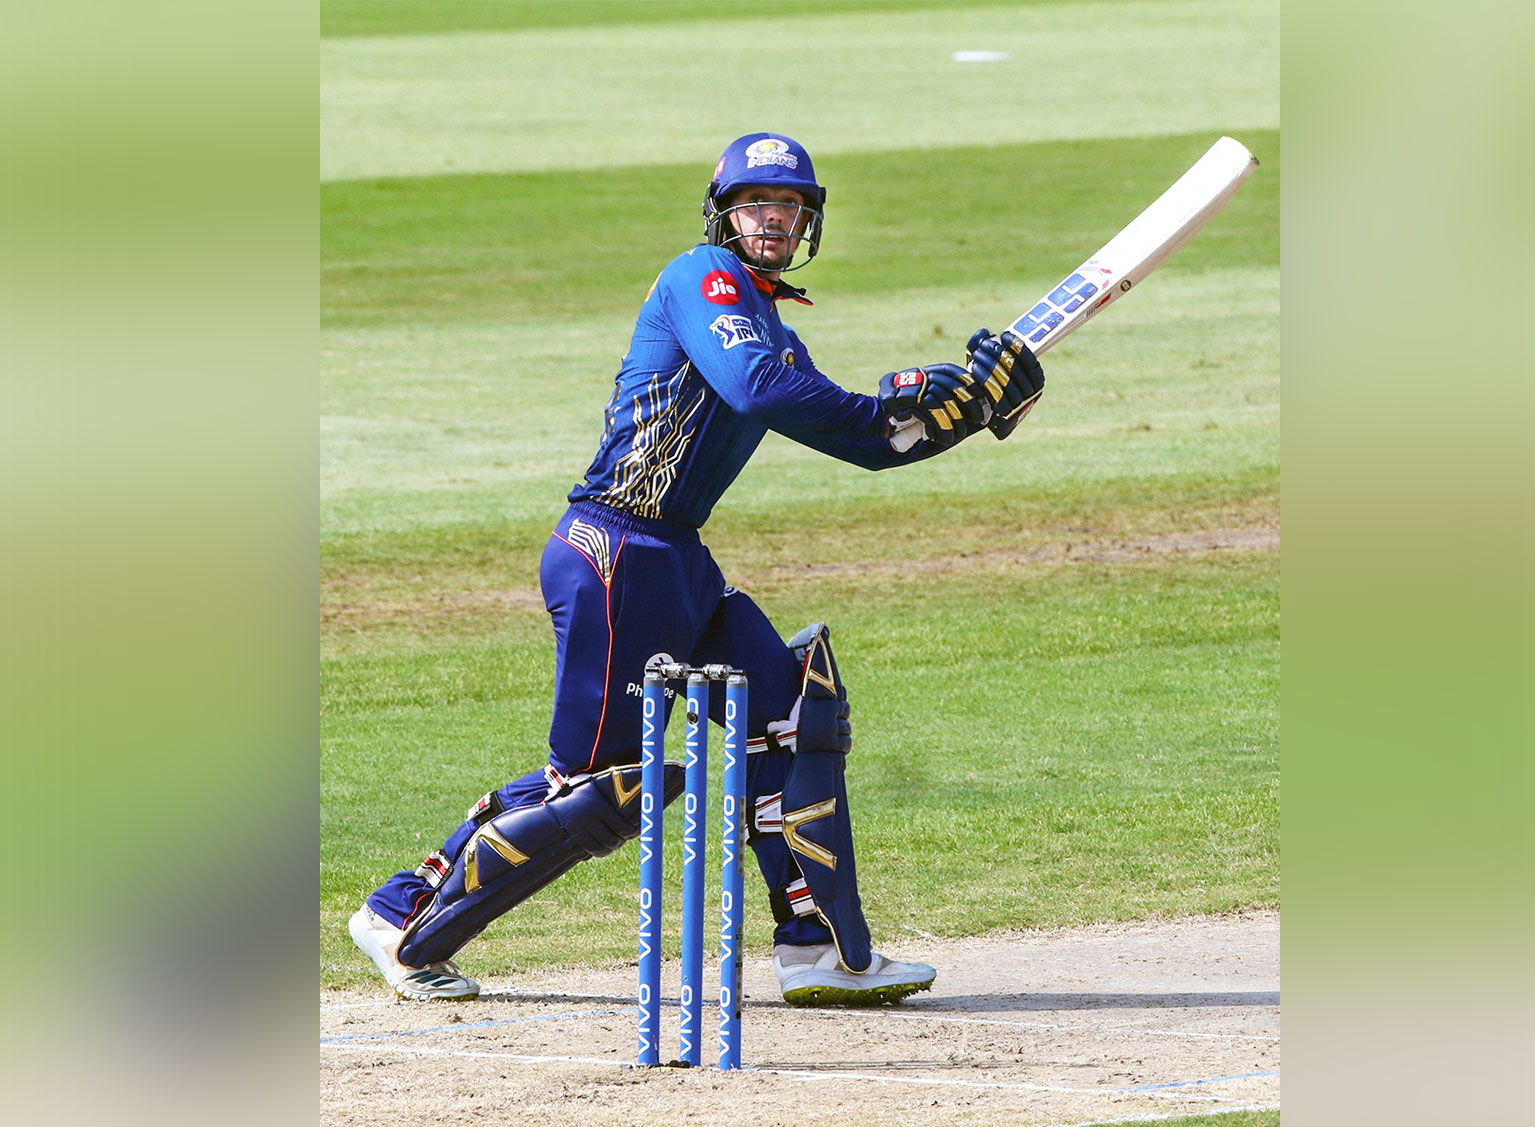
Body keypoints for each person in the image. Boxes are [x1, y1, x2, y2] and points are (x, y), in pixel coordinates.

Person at [349, 132, 1044, 1004]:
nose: (775, 219)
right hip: (614, 549)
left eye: (791, 207)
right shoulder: (701, 281)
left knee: (791, 718)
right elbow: (759, 390)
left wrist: (972, 409)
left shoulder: (771, 326)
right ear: (724, 211)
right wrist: (898, 393)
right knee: (598, 787)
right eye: (758, 203)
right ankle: (404, 921)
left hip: (678, 556)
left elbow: (870, 444)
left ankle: (815, 949)